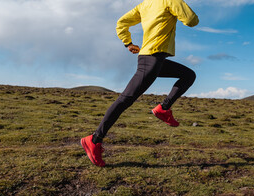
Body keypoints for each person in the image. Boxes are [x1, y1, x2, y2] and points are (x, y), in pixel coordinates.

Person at [81, 0, 199, 167]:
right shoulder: (170, 1)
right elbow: (191, 20)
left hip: (153, 59)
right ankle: (94, 140)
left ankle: (164, 109)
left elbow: (121, 23)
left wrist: (128, 43)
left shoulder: (145, 5)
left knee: (188, 75)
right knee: (125, 99)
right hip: (151, 60)